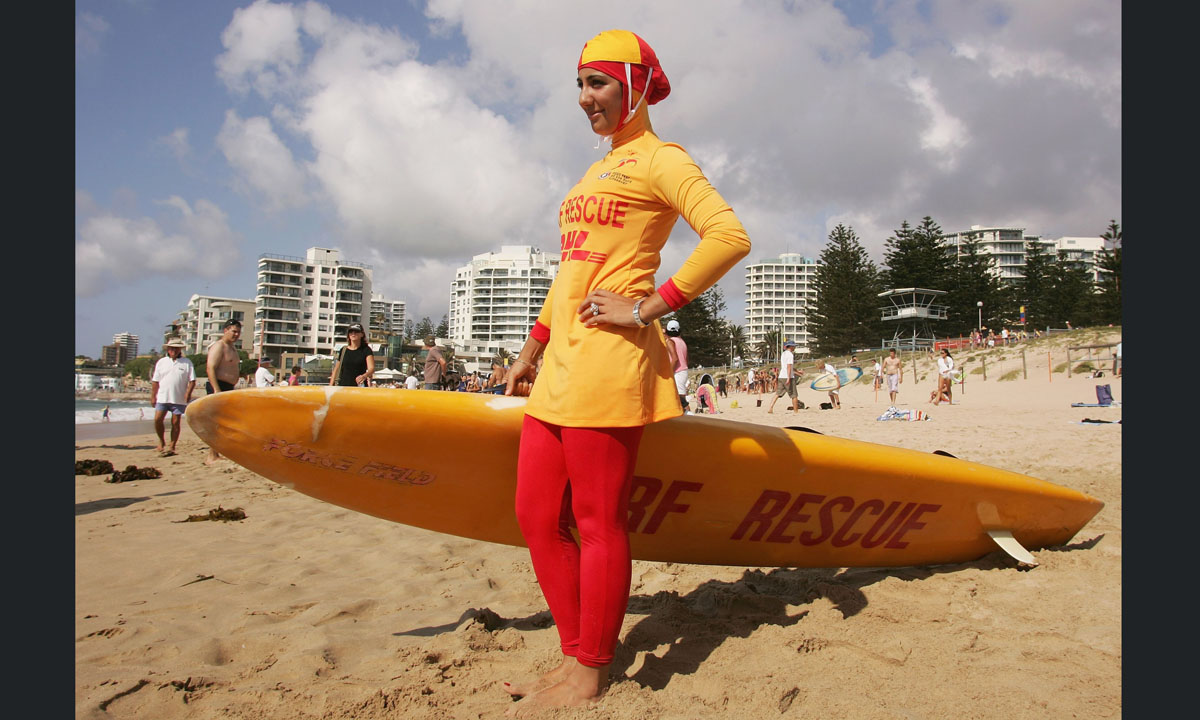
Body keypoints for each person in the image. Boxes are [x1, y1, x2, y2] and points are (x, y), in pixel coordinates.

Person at [501, 28, 750, 715]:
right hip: (560, 368)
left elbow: (728, 235)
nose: (586, 98)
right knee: (533, 515)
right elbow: (571, 272)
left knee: (597, 521)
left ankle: (590, 674)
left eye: (600, 83)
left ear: (636, 85)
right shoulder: (594, 174)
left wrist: (650, 305)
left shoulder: (660, 159)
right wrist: (532, 347)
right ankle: (573, 654)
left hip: (610, 366)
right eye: (580, 84)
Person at [204, 319, 243, 465]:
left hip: (228, 388)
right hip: (218, 386)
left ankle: (220, 452)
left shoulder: (232, 348)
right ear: (225, 330)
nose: (236, 334)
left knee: (227, 422)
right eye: (233, 331)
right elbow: (210, 368)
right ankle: (212, 455)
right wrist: (216, 389)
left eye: (238, 332)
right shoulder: (219, 346)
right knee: (216, 422)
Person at [150, 337, 196, 456]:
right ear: (168, 349)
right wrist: (153, 396)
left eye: (176, 348)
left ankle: (172, 445)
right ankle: (161, 441)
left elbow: (192, 380)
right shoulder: (161, 362)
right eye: (171, 348)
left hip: (178, 398)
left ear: (180, 349)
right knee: (157, 419)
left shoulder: (187, 362)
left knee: (175, 422)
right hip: (162, 397)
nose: (174, 350)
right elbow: (155, 381)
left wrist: (188, 394)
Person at [664, 319, 690, 414]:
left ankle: (689, 417)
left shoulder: (670, 341)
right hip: (684, 371)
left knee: (680, 399)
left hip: (677, 372)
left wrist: (669, 373)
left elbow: (674, 358)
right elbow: (686, 359)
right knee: (681, 397)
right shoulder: (682, 342)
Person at [767, 340, 800, 413]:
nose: (794, 347)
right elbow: (788, 366)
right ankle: (796, 411)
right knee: (794, 395)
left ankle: (770, 407)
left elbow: (787, 366)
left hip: (781, 376)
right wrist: (788, 378)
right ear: (791, 346)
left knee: (778, 393)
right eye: (794, 346)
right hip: (788, 377)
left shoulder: (783, 354)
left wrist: (797, 371)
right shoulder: (790, 355)